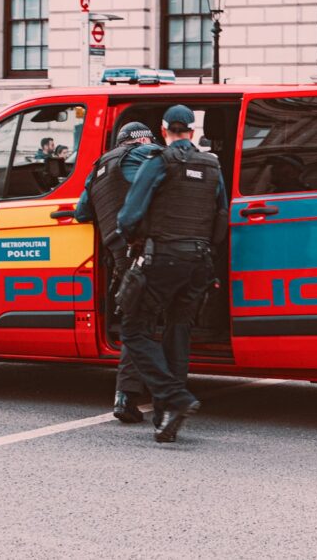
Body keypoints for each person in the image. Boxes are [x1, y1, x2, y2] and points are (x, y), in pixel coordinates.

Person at [116, 104, 228, 443]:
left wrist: (132, 237)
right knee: (178, 330)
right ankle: (166, 416)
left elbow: (129, 214)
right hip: (199, 262)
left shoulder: (159, 162)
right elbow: (221, 216)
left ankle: (174, 396)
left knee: (134, 328)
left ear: (164, 131)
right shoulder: (212, 165)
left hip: (163, 257)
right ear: (192, 132)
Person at [74, 122, 161, 424]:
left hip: (120, 258)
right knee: (156, 323)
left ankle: (132, 394)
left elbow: (81, 213)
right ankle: (148, 395)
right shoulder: (147, 152)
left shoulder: (98, 166)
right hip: (150, 253)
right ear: (143, 139)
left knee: (136, 322)